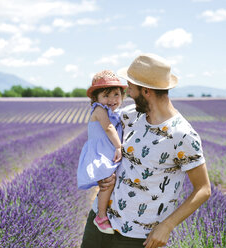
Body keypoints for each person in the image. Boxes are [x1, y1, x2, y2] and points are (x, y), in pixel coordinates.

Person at [80, 54, 211, 248]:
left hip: (137, 236)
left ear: (146, 91)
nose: (129, 94)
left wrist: (167, 226)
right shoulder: (131, 116)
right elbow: (101, 130)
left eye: (131, 88)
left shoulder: (182, 135)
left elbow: (203, 189)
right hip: (100, 222)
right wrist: (100, 170)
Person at [77, 70, 128, 235]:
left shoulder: (114, 112)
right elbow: (108, 127)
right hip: (100, 153)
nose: (112, 100)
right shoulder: (99, 110)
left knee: (112, 182)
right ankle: (100, 216)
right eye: (106, 96)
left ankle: (108, 212)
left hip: (107, 151)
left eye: (116, 95)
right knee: (108, 180)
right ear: (96, 99)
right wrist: (119, 147)